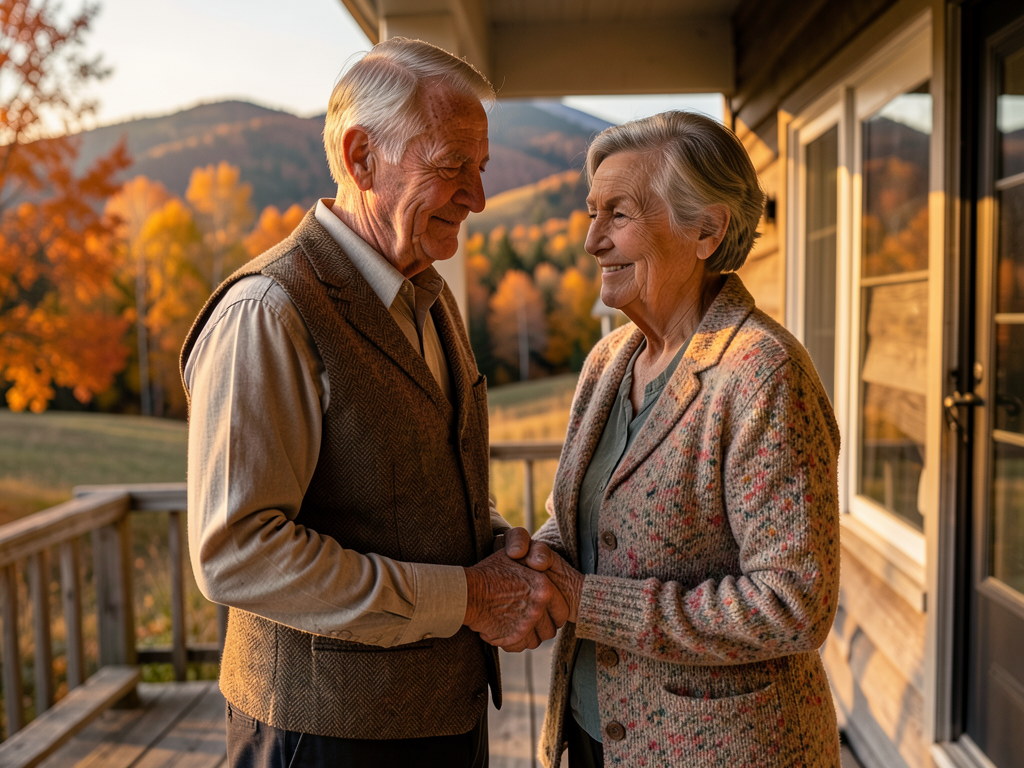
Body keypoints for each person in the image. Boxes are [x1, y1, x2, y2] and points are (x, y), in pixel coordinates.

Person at [180, 38, 567, 768]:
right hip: (322, 737)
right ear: (362, 158)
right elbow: (237, 554)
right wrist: (468, 597)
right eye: (452, 166)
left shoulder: (429, 297)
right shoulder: (269, 309)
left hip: (442, 717)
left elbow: (408, 485)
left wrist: (495, 548)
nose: (478, 197)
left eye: (481, 169)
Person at [501, 111, 842, 767]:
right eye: (592, 214)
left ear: (705, 231)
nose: (592, 241)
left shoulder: (762, 374)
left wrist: (585, 602)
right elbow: (578, 522)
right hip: (594, 735)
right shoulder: (609, 362)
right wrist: (529, 565)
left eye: (618, 215)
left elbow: (793, 603)